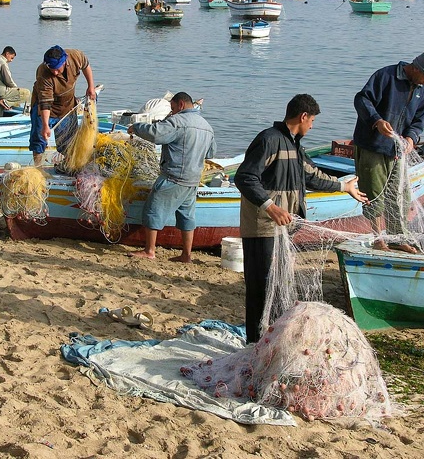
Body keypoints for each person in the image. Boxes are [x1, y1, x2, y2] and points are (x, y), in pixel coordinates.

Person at [235, 94, 369, 344]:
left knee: (279, 286)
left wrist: (343, 187)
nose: (312, 126)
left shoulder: (294, 145)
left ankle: (271, 338)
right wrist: (270, 207)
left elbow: (312, 176)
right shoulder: (269, 140)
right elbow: (244, 177)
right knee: (261, 287)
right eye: (312, 120)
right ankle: (255, 343)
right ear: (303, 116)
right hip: (262, 227)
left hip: (285, 229)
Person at [352, 46, 424, 253]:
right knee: (374, 194)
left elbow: (419, 119)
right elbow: (362, 99)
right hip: (372, 146)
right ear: (417, 68)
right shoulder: (386, 76)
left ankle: (396, 237)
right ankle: (378, 239)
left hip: (398, 151)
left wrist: (411, 138)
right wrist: (377, 121)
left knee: (398, 195)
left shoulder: (421, 91)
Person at [127, 92, 216, 263]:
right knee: (187, 217)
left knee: (153, 210)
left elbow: (156, 135)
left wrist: (136, 128)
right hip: (193, 180)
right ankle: (186, 255)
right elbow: (211, 152)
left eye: (173, 108)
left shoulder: (177, 122)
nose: (172, 112)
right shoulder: (207, 126)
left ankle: (149, 251)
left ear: (181, 104)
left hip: (173, 177)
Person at [29, 45, 96, 165]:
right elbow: (45, 102)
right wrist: (45, 125)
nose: (54, 72)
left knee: (69, 141)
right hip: (44, 108)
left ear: (64, 61)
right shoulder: (43, 73)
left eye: (57, 68)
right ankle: (38, 168)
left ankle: (69, 166)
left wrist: (90, 86)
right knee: (39, 140)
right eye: (51, 68)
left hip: (67, 106)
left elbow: (86, 65)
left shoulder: (75, 56)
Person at [0, 46, 30, 114]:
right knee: (26, 93)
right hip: (2, 92)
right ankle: (5, 102)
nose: (11, 60)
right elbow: (8, 80)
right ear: (7, 54)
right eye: (11, 58)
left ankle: (2, 105)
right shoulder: (2, 63)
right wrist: (16, 88)